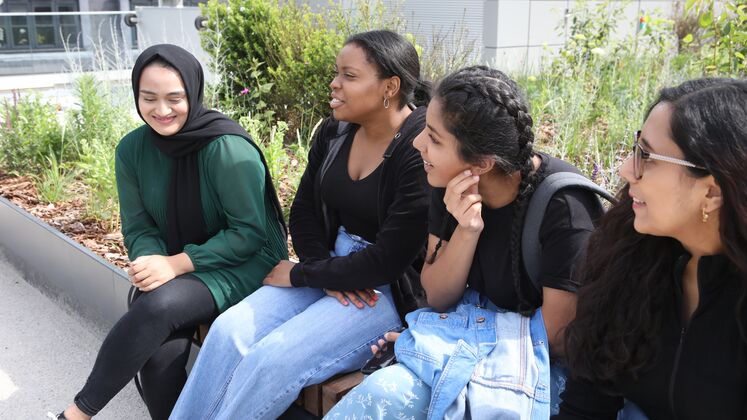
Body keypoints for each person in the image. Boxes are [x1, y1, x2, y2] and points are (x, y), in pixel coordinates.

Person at [169, 30, 431, 419]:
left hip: (384, 292)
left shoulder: (419, 150)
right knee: (228, 332)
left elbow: (390, 260)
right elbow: (305, 209)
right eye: (336, 72)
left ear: (389, 87)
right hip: (327, 265)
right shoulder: (336, 131)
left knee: (272, 360)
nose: (334, 83)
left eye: (349, 75)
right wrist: (319, 269)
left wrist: (303, 275)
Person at [325, 65, 604, 419]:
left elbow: (556, 334)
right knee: (382, 394)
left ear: (483, 163)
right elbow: (437, 294)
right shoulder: (447, 182)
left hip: (541, 369)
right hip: (476, 343)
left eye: (435, 139)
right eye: (426, 129)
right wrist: (466, 231)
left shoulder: (564, 206)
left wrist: (443, 344)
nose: (417, 143)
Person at [49, 44, 288, 420]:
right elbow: (140, 226)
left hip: (248, 262)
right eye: (149, 98)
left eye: (175, 98)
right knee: (154, 310)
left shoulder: (227, 148)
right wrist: (150, 261)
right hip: (183, 265)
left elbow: (251, 233)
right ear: (136, 96)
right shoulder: (132, 150)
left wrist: (177, 264)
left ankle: (77, 413)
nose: (161, 110)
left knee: (157, 305)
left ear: (192, 93)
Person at [555, 79, 747, 419]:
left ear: (713, 193)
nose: (626, 169)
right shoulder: (629, 255)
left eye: (647, 156)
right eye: (635, 147)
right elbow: (585, 405)